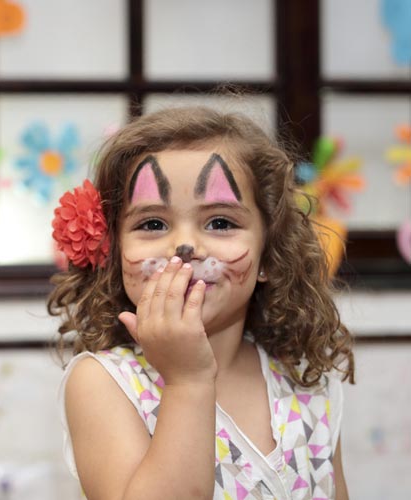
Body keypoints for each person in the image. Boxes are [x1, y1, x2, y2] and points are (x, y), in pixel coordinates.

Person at [48, 106, 354, 500]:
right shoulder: (104, 383)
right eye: (153, 224)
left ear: (269, 255)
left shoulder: (310, 386)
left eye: (221, 222)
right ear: (114, 249)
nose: (185, 247)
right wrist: (186, 381)